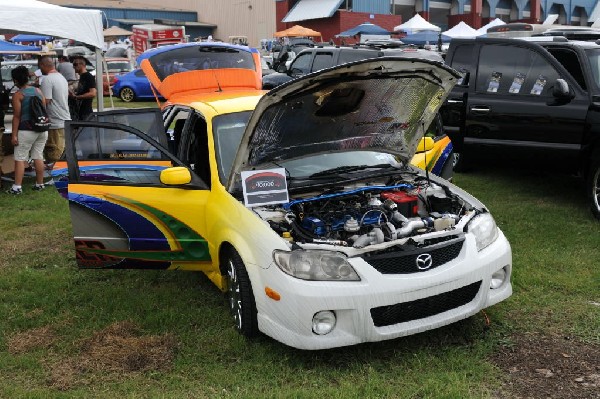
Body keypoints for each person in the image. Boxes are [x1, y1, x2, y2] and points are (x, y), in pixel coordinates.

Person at [6, 66, 48, 194]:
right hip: (42, 129)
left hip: (26, 130)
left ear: (15, 80)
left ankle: (17, 187)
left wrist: (14, 135)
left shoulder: (18, 95)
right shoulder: (38, 91)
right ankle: (40, 184)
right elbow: (44, 108)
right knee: (38, 156)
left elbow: (17, 117)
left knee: (20, 158)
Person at [38, 55, 70, 179]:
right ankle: (60, 174)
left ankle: (57, 177)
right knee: (61, 149)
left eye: (39, 66)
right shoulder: (61, 77)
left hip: (55, 120)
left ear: (43, 65)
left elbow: (46, 101)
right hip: (64, 117)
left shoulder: (47, 79)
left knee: (54, 150)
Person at [69, 56, 96, 121]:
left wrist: (77, 97)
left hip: (86, 112)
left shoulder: (88, 77)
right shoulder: (81, 76)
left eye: (75, 64)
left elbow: (93, 93)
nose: (73, 67)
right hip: (80, 111)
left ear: (82, 65)